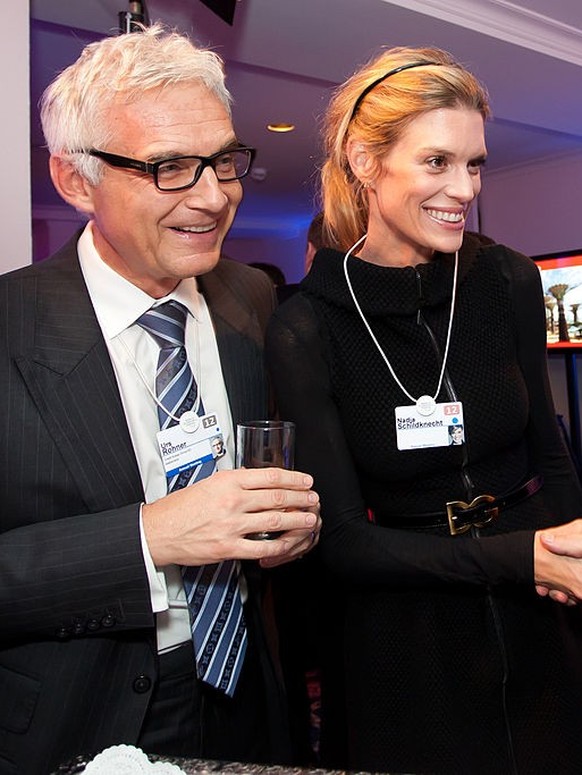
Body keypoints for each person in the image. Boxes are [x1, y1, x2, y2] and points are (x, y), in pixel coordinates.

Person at [0, 24, 321, 775]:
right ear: (76, 180)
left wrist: (284, 539)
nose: (214, 198)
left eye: (224, 161)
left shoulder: (249, 296)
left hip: (247, 693)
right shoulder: (11, 327)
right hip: (76, 718)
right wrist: (150, 538)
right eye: (170, 167)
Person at [266, 46, 582, 775]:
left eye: (474, 164)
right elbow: (341, 541)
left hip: (539, 612)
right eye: (437, 162)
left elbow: (554, 459)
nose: (465, 187)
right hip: (406, 638)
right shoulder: (308, 326)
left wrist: (567, 558)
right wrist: (515, 556)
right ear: (365, 162)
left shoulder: (506, 279)